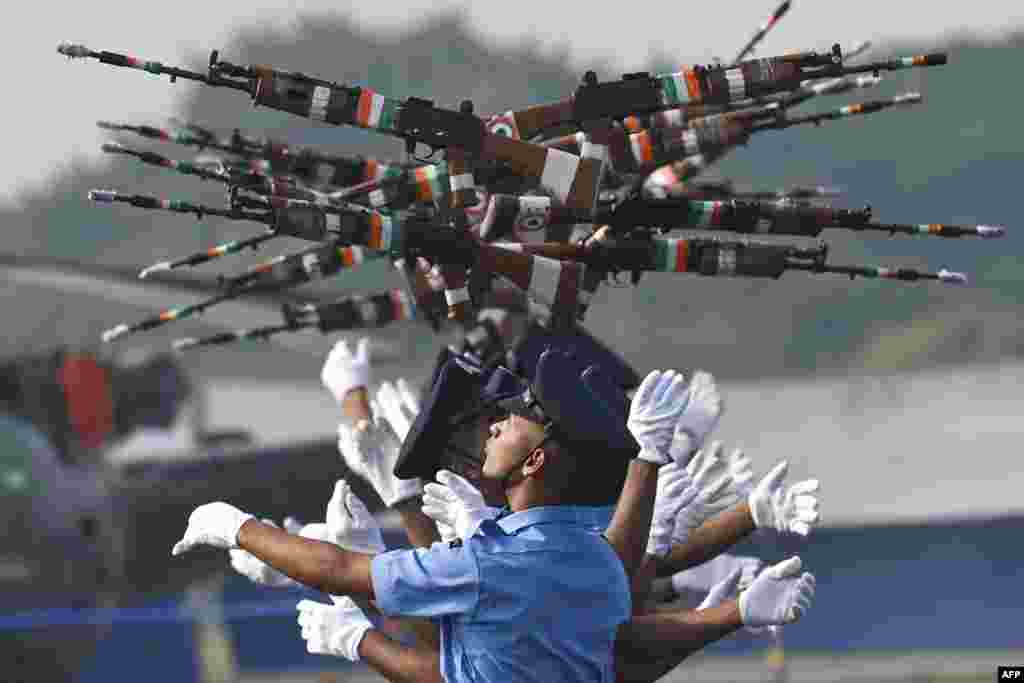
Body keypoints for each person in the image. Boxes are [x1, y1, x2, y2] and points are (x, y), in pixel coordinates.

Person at [170, 350, 704, 683]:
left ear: (536, 460)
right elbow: (619, 558)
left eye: (516, 421)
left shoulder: (491, 564)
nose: (495, 427)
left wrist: (234, 526)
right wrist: (647, 458)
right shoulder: (594, 557)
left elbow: (333, 569)